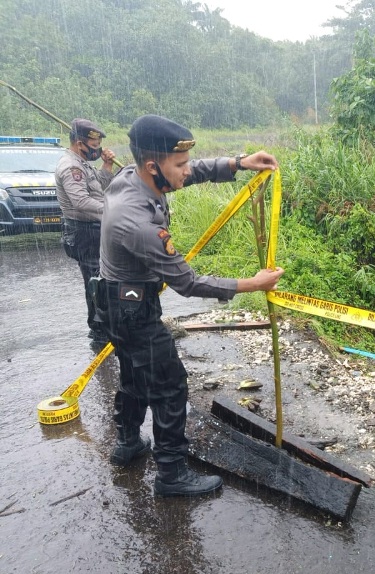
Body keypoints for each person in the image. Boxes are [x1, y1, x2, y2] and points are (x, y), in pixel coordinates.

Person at [94, 114, 284, 497]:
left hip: (114, 300)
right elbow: (188, 282)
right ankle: (171, 476)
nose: (185, 171)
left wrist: (239, 162)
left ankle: (129, 443)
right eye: (177, 165)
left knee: (133, 375)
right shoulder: (136, 222)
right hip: (132, 308)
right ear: (153, 167)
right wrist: (252, 283)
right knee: (168, 385)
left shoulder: (134, 176)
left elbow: (192, 170)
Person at [55, 118, 118, 345]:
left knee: (102, 277)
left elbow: (98, 187)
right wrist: (112, 211)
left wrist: (107, 166)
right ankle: (99, 330)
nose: (97, 148)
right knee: (95, 281)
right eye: (94, 144)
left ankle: (106, 323)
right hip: (83, 233)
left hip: (93, 229)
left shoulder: (82, 162)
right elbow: (81, 201)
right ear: (80, 143)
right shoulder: (71, 167)